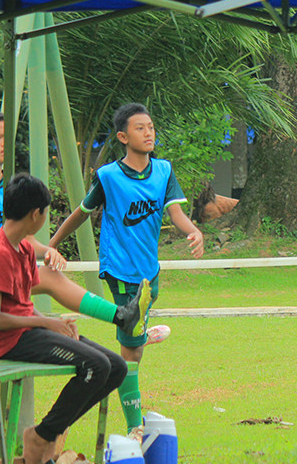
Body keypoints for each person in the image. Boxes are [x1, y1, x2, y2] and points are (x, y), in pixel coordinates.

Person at [0, 111, 152, 447]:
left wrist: (48, 251)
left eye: (8, 137)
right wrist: (45, 321)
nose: (5, 144)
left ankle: (121, 315)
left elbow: (19, 234)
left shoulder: (15, 187)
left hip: (10, 262)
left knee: (52, 279)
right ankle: (0, 430)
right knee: (4, 335)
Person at [51, 103, 204, 440]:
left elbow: (175, 213)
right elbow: (81, 212)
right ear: (122, 136)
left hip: (151, 270)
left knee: (134, 347)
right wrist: (53, 242)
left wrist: (193, 231)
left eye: (150, 127)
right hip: (120, 269)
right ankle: (134, 426)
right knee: (130, 348)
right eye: (140, 128)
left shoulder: (164, 171)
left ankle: (139, 334)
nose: (148, 133)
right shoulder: (108, 176)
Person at [0, 173, 128, 464]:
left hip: (28, 332)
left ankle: (45, 436)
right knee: (94, 365)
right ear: (35, 214)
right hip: (7, 342)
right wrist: (46, 321)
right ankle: (41, 439)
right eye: (46, 213)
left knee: (116, 366)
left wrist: (52, 325)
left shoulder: (24, 249)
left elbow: (21, 305)